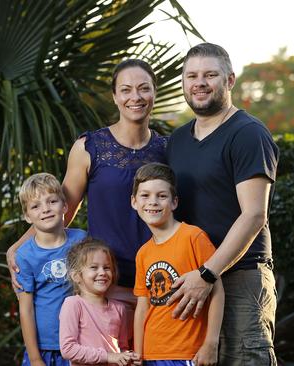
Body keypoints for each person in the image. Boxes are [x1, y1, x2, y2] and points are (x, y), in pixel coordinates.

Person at [8, 59, 167, 315]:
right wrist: (19, 246)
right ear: (115, 96)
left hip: (158, 279)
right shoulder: (89, 147)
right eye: (126, 90)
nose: (135, 97)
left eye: (143, 88)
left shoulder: (168, 149)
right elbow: (63, 211)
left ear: (153, 92)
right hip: (105, 283)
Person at [165, 42, 279, 365]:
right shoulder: (177, 140)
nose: (199, 83)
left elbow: (254, 214)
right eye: (191, 76)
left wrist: (208, 273)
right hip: (190, 278)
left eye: (210, 75)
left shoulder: (247, 134)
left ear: (229, 80)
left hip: (239, 275)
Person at [131, 163, 224, 366]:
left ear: (174, 202)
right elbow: (142, 306)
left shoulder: (193, 237)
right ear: (134, 202)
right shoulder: (143, 253)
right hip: (151, 353)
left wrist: (211, 343)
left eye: (161, 196)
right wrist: (138, 354)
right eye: (145, 195)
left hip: (187, 352)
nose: (153, 202)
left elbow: (217, 292)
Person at [15, 173, 87, 366]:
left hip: (82, 341)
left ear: (64, 206)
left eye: (52, 201)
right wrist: (36, 358)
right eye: (35, 206)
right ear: (27, 216)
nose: (45, 209)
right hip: (45, 347)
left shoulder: (82, 240)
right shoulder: (25, 255)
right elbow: (26, 309)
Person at [59, 239, 140, 366]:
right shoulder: (73, 304)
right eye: (94, 267)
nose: (102, 273)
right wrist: (107, 357)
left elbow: (122, 348)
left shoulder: (119, 308)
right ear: (76, 276)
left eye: (107, 267)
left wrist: (127, 359)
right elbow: (68, 349)